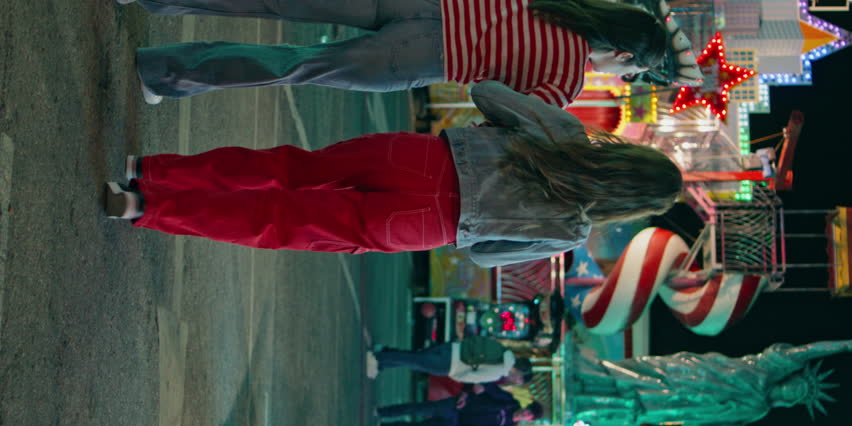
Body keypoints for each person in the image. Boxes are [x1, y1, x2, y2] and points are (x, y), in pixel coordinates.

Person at [103, 80, 682, 267]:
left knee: (288, 166)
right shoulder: (570, 232)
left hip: (422, 159)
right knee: (279, 223)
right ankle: (144, 208)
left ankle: (149, 169)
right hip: (422, 224)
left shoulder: (565, 134)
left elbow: (485, 91)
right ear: (628, 205)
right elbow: (485, 256)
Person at [118, 0, 667, 106]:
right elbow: (490, 100)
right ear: (621, 52)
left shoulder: (561, 6)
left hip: (427, 4)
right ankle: (164, 70)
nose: (620, 78)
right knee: (294, 65)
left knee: (280, 1)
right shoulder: (568, 78)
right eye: (630, 70)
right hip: (425, 55)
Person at [570, 340, 852, 426]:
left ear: (793, 402)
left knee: (635, 405)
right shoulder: (763, 369)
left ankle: (582, 406)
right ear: (791, 377)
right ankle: (583, 376)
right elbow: (800, 353)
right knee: (628, 377)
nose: (793, 391)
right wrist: (843, 345)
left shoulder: (756, 411)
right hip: (684, 375)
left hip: (680, 406)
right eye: (798, 385)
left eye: (798, 395)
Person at [377, 384, 544, 426]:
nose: (525, 414)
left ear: (528, 419)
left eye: (529, 416)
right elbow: (489, 388)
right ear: (525, 407)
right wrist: (469, 391)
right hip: (458, 406)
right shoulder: (510, 402)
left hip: (457, 423)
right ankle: (384, 412)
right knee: (420, 409)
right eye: (528, 410)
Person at [365, 337, 534, 385]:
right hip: (451, 365)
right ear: (518, 371)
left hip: (453, 348)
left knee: (415, 358)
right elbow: (473, 377)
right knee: (413, 361)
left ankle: (382, 361)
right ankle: (377, 358)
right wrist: (456, 376)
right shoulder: (499, 371)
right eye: (518, 378)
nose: (516, 381)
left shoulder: (503, 351)